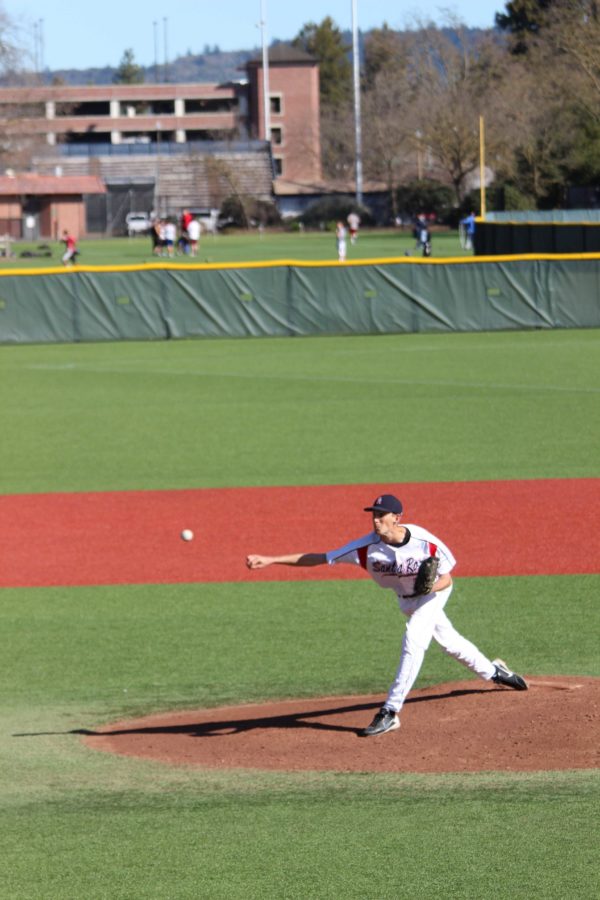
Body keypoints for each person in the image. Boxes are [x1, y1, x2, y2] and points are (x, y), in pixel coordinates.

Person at [246, 493, 527, 737]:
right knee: (449, 642)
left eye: (382, 515)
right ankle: (494, 671)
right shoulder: (365, 548)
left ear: (398, 517)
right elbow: (319, 557)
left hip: (433, 595)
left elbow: (447, 579)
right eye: (374, 515)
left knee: (414, 640)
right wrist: (271, 559)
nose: (376, 520)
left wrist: (430, 586)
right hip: (406, 601)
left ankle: (391, 711)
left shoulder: (424, 542)